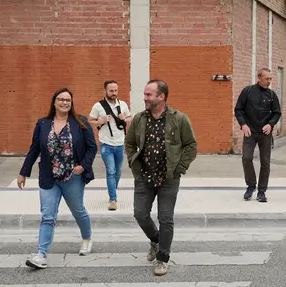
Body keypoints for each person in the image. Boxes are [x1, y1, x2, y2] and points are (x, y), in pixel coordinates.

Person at [17, 88, 97, 269]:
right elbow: (34, 149)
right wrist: (24, 172)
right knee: (47, 216)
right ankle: (41, 255)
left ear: (71, 103)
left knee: (78, 210)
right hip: (49, 177)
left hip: (72, 177)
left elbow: (92, 148)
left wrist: (83, 166)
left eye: (68, 100)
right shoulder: (43, 124)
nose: (64, 103)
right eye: (61, 99)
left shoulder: (80, 122)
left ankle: (87, 238)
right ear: (54, 102)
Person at [125, 80, 197, 276]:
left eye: (149, 94)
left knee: (166, 219)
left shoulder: (179, 119)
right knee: (140, 214)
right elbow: (129, 143)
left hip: (168, 178)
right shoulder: (139, 119)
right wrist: (134, 165)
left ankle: (163, 258)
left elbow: (191, 145)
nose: (145, 98)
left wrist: (179, 168)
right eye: (145, 94)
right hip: (144, 177)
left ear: (161, 96)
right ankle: (155, 240)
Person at [234, 67, 281, 203]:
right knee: (246, 157)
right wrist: (243, 124)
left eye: (271, 79)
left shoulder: (272, 95)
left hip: (265, 133)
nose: (269, 81)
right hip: (250, 131)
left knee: (265, 162)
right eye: (267, 79)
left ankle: (262, 191)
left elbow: (277, 112)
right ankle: (251, 186)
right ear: (259, 78)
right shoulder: (247, 91)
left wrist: (271, 124)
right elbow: (238, 109)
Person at [88, 80, 132, 211]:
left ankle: (112, 190)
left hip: (120, 144)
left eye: (116, 90)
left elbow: (130, 118)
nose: (114, 93)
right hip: (106, 144)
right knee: (111, 171)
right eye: (111, 91)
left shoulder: (122, 104)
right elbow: (90, 120)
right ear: (105, 91)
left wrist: (125, 118)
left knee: (118, 172)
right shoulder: (98, 106)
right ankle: (113, 199)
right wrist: (100, 121)